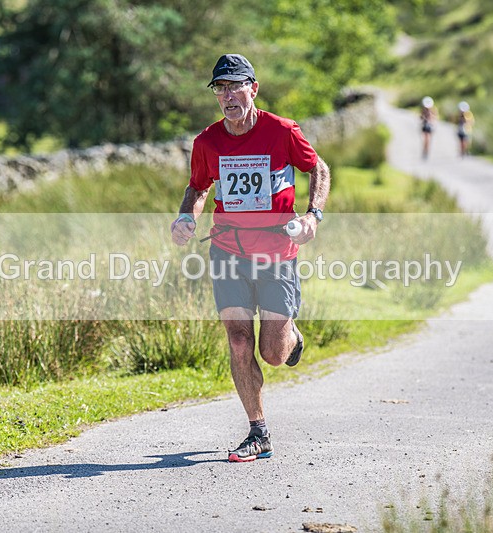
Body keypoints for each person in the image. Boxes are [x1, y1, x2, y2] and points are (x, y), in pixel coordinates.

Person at [170, 53, 331, 463]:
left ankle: (290, 336)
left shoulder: (281, 131)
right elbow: (199, 186)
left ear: (253, 88)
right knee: (239, 340)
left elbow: (319, 169)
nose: (227, 96)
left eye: (234, 86)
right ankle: (258, 431)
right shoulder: (207, 142)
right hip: (227, 251)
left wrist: (313, 216)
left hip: (278, 253)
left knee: (272, 353)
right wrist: (187, 216)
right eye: (220, 89)